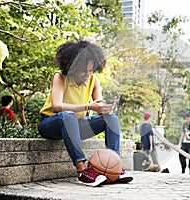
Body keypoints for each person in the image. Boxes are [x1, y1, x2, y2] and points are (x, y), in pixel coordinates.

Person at [38, 40, 131, 186]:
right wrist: (88, 106)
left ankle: (115, 167)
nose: (88, 74)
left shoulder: (93, 80)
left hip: (75, 125)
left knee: (111, 119)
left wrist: (104, 108)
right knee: (67, 115)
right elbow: (57, 106)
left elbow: (98, 104)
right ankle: (82, 171)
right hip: (51, 124)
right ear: (72, 67)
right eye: (84, 70)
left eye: (91, 70)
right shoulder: (60, 76)